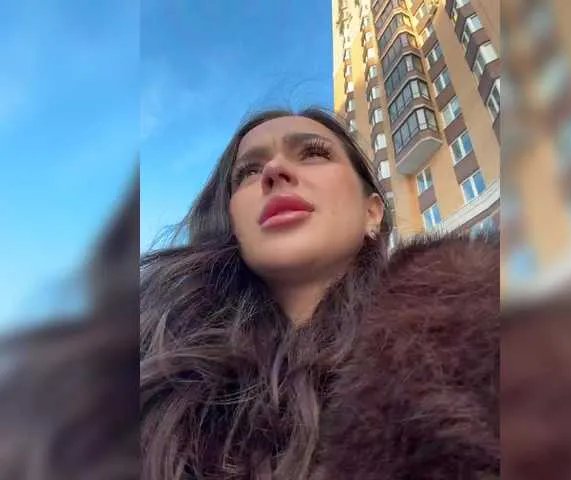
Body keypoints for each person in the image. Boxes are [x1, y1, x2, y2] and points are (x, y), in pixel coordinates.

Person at [140, 108, 499, 480]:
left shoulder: (488, 329)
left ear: (372, 212)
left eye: (313, 153)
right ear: (230, 221)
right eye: (248, 171)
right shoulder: (155, 376)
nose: (273, 170)